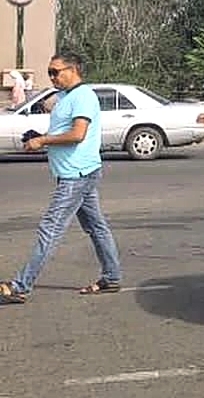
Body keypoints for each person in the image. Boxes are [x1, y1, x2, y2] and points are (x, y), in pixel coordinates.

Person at [0, 50, 122, 305]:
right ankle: (111, 277)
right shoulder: (66, 97)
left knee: (50, 228)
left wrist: (43, 140)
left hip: (76, 175)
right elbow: (64, 132)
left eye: (56, 72)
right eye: (49, 73)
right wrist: (40, 136)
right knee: (96, 227)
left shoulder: (84, 97)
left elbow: (78, 134)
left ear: (73, 70)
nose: (52, 77)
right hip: (76, 172)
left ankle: (21, 286)